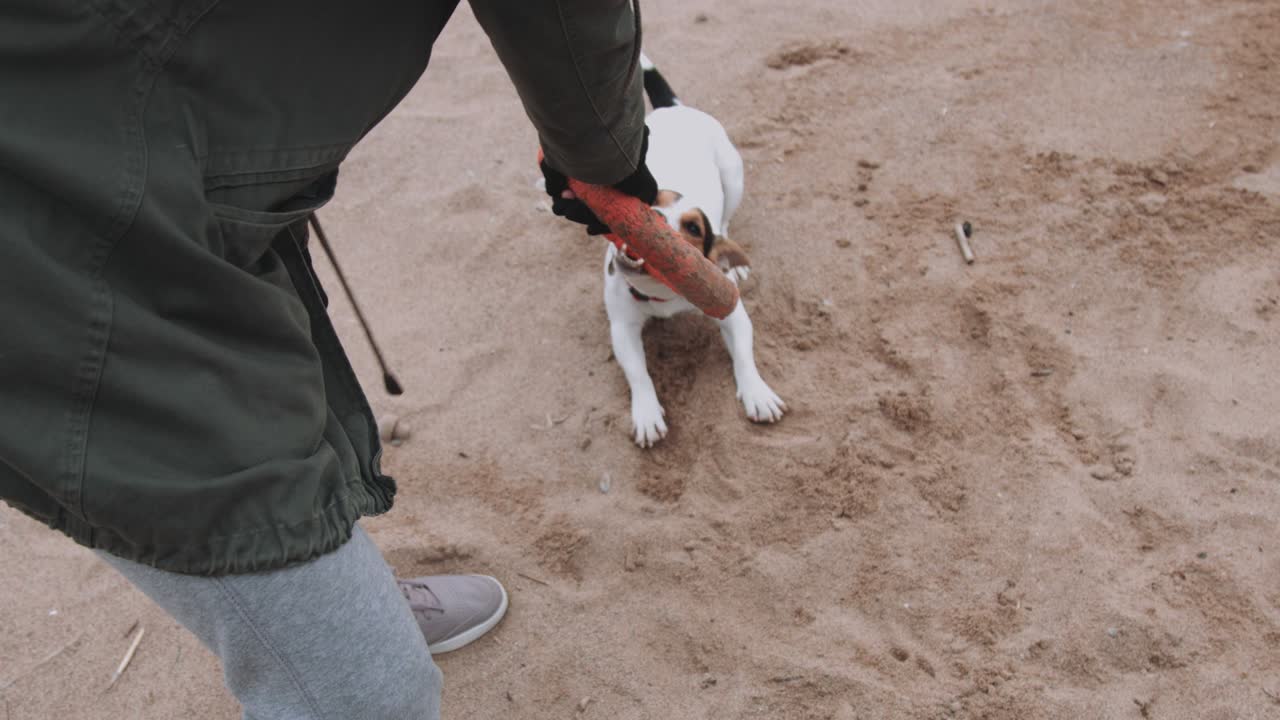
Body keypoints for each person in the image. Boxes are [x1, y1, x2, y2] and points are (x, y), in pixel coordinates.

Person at [0, 1, 658, 718]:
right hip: (62, 218)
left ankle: (350, 600)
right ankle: (344, 653)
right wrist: (608, 166)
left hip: (160, 147)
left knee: (280, 378)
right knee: (369, 696)